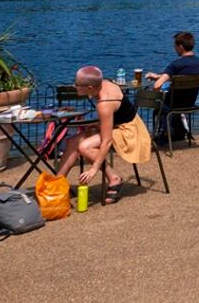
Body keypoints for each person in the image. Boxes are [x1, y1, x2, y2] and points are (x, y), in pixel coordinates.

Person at [58, 66, 153, 205]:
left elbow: (107, 141)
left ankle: (114, 178)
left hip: (130, 132)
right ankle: (58, 183)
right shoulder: (105, 82)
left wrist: (93, 169)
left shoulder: (105, 104)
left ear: (90, 87)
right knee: (72, 141)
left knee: (85, 146)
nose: (74, 86)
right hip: (118, 125)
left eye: (77, 84)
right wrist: (99, 125)